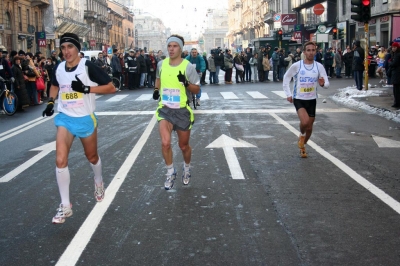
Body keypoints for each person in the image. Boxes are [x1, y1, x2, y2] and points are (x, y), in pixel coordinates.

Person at [42, 32, 116, 224]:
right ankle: (65, 205)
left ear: (77, 49)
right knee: (60, 159)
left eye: (70, 47)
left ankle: (98, 181)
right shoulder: (58, 68)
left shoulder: (87, 66)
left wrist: (86, 89)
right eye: (63, 48)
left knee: (92, 157)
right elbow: (55, 85)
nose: (66, 52)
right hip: (65, 118)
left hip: (85, 119)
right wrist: (51, 101)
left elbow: (111, 87)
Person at [152, 34, 200, 190]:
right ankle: (170, 171)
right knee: (165, 143)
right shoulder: (161, 64)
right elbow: (158, 77)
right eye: (169, 46)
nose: (171, 49)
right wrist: (156, 89)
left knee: (183, 146)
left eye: (175, 46)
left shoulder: (188, 67)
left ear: (181, 48)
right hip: (165, 109)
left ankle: (187, 168)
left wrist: (185, 82)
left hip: (182, 111)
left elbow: (197, 88)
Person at [282, 41, 329, 158]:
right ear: (304, 52)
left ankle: (303, 144)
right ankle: (301, 135)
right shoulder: (297, 66)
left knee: (310, 127)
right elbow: (286, 78)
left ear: (316, 52)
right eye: (308, 50)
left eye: (313, 50)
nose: (311, 52)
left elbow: (327, 83)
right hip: (299, 99)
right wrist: (288, 93)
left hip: (312, 99)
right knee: (305, 122)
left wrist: (323, 84)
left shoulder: (319, 66)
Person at [388, 42, 400, 108]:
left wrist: (390, 62)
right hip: (395, 73)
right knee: (396, 89)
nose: (393, 48)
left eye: (395, 47)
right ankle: (396, 102)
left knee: (397, 90)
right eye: (392, 47)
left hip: (397, 73)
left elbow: (394, 63)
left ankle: (397, 103)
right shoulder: (394, 54)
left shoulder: (397, 55)